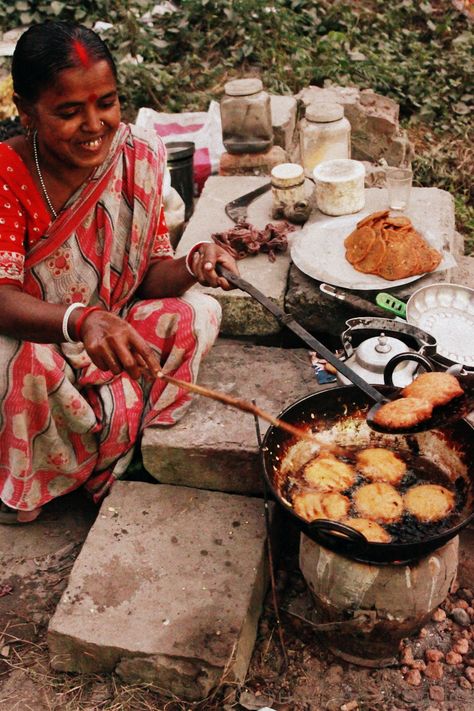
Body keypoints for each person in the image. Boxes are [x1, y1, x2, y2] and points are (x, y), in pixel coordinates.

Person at [0, 21, 239, 523]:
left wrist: (194, 262)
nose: (94, 124)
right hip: (41, 340)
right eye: (69, 111)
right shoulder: (6, 175)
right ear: (26, 112)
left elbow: (148, 273)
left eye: (105, 103)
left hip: (111, 332)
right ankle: (40, 476)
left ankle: (136, 438)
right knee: (16, 364)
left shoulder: (139, 157)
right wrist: (80, 321)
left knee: (198, 313)